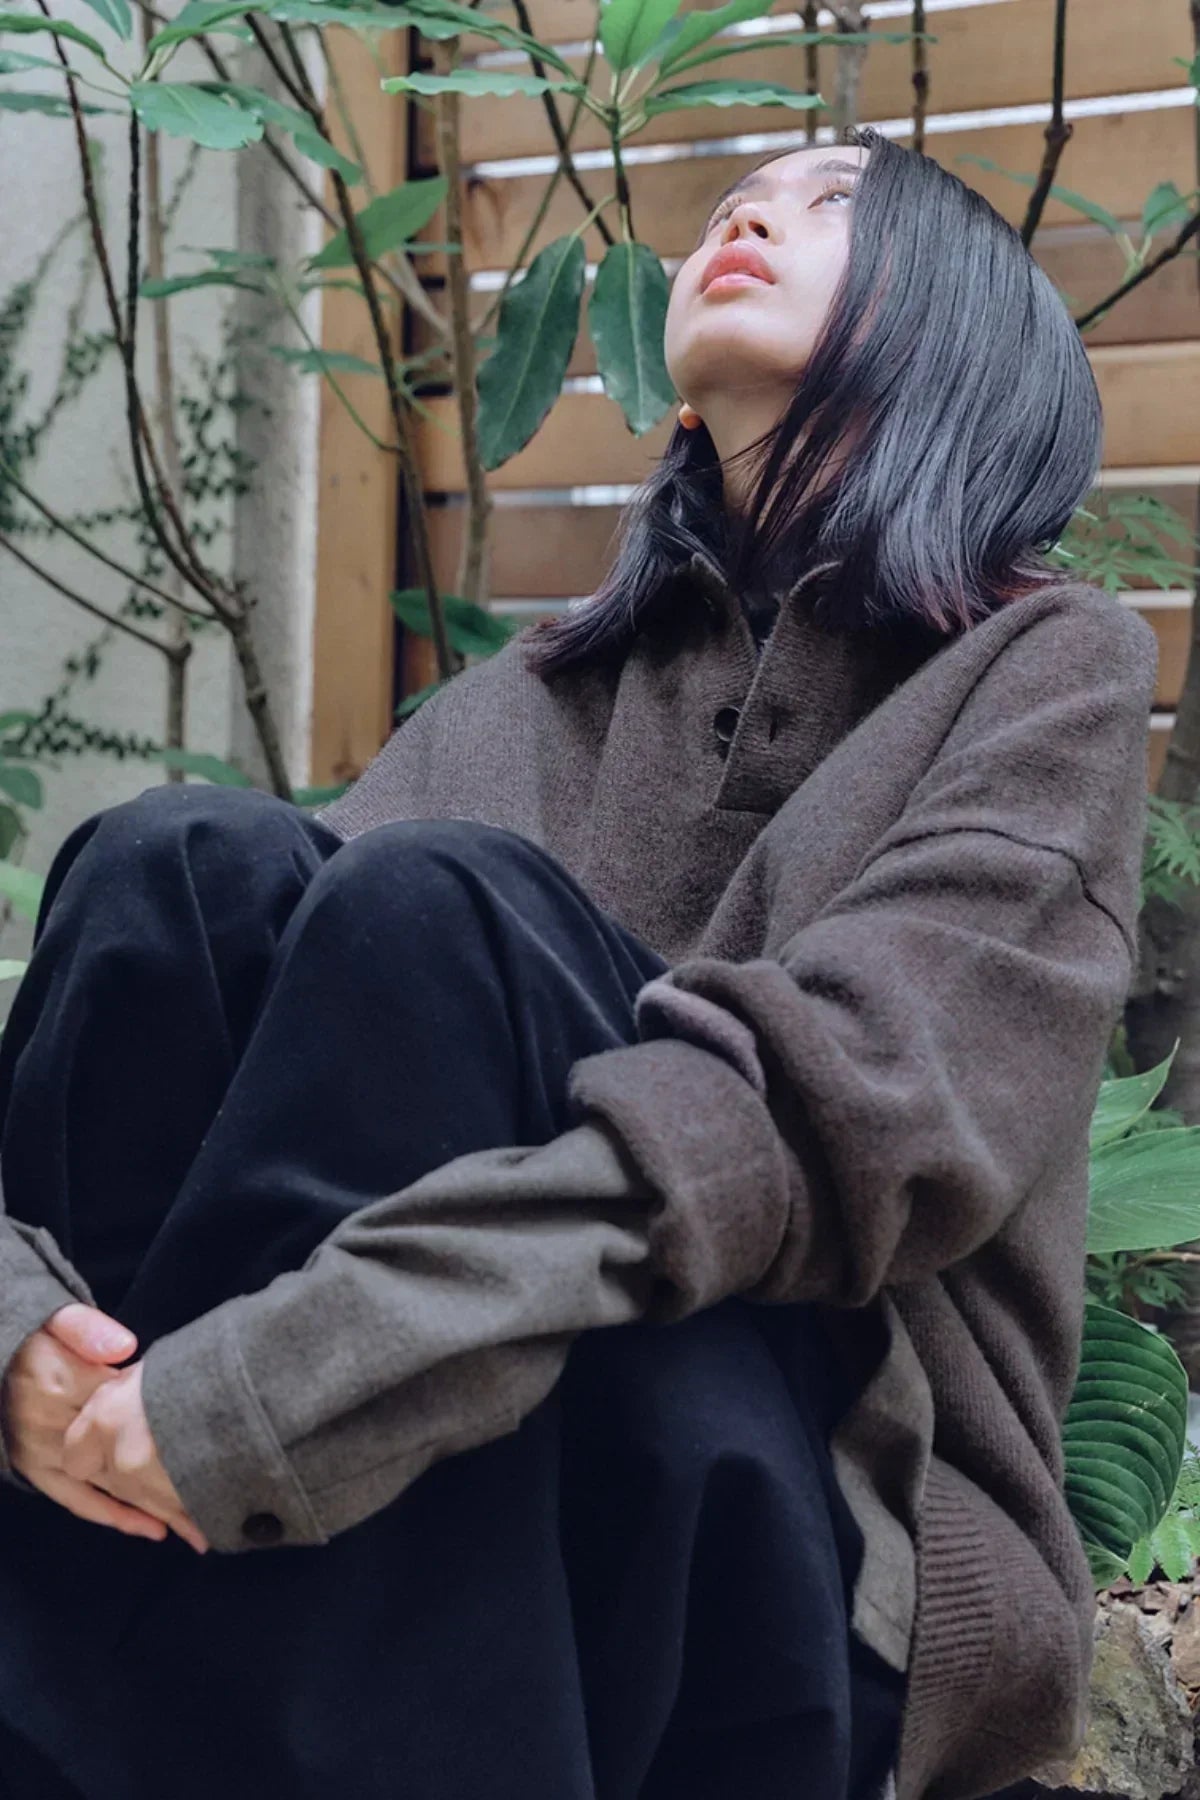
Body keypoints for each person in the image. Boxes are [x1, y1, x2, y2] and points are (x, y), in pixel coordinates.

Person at [0, 127, 1156, 1800]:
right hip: (403, 1529)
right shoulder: (531, 699)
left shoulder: (1045, 671)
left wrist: (280, 1384)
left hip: (807, 1518)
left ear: (958, 330)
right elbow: (223, 1025)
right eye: (738, 198)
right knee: (177, 865)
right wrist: (31, 1343)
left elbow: (848, 1120)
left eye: (834, 204)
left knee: (428, 916)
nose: (750, 211)